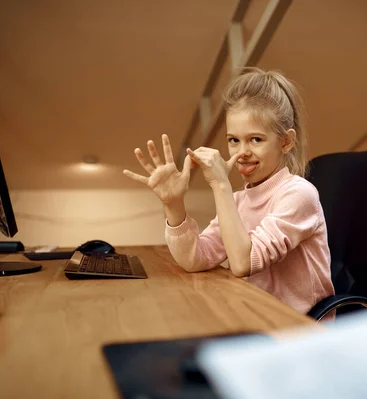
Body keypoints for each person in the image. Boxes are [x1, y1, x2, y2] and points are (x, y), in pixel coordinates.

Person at [123, 68, 335, 316]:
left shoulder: (299, 194)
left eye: (256, 139)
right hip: (255, 315)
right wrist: (174, 204)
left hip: (297, 332)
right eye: (234, 140)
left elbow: (243, 263)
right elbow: (195, 259)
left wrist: (220, 185)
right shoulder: (238, 201)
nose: (241, 151)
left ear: (286, 142)